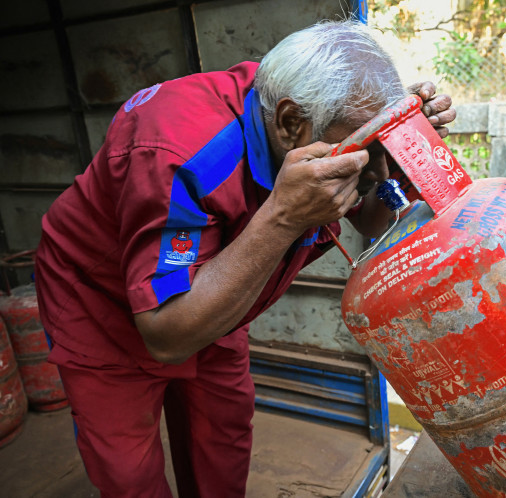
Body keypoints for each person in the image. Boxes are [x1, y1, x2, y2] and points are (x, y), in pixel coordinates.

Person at [34, 20, 455, 498]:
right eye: (365, 153)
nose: (373, 171)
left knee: (224, 433)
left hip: (211, 290)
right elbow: (168, 337)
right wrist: (282, 218)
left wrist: (403, 159)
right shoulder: (178, 148)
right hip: (98, 302)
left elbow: (372, 222)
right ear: (290, 123)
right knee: (127, 469)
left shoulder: (321, 119)